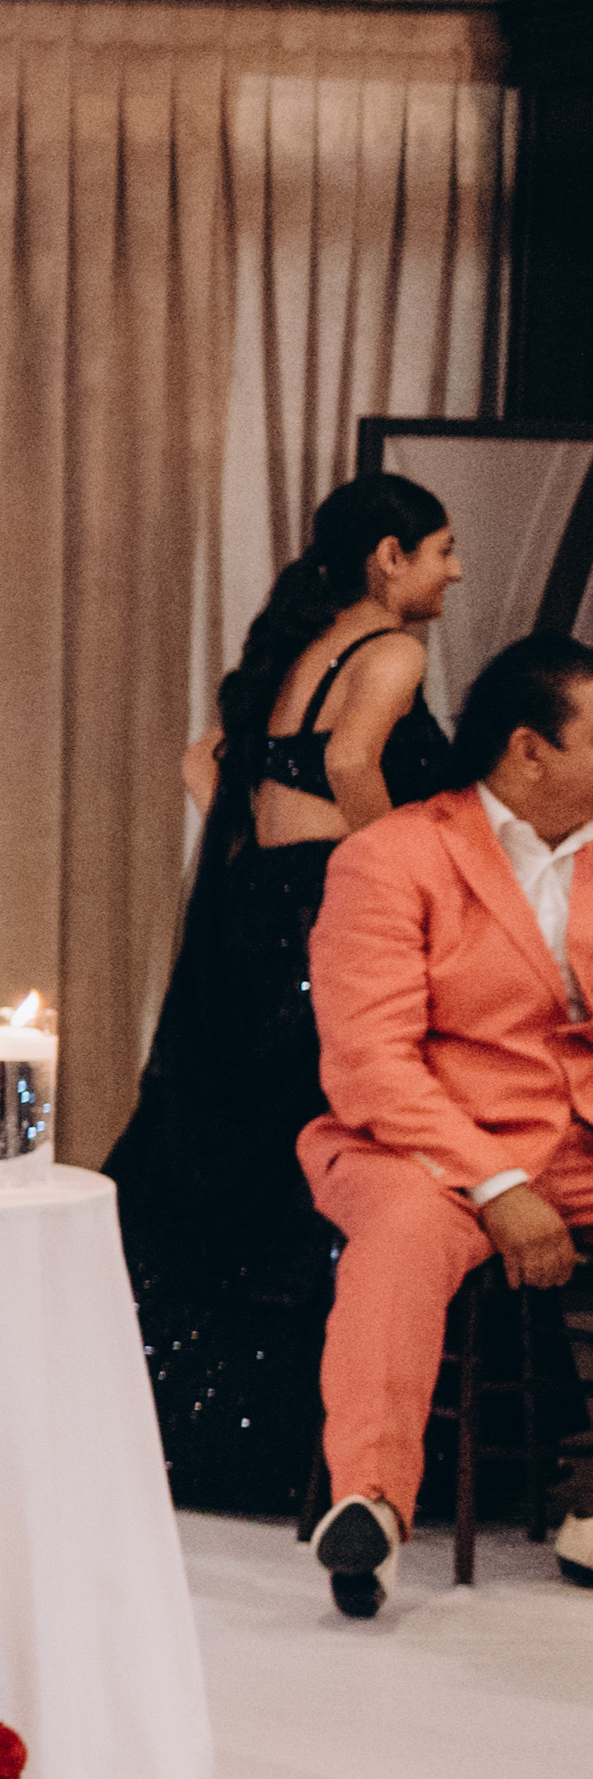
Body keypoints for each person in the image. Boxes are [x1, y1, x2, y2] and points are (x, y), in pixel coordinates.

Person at [106, 476, 462, 1511]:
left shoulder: (301, 650)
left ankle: (180, 1424)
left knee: (243, 1145)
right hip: (329, 910)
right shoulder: (392, 651)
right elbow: (351, 761)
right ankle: (294, 1446)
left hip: (254, 914)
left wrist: (269, 850)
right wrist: (407, 875)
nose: (454, 571)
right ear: (389, 557)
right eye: (441, 550)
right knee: (317, 1147)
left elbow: (204, 762)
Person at [296, 632, 593, 1619]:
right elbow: (370, 1061)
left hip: (575, 1137)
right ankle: (371, 1505)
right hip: (419, 1140)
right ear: (530, 750)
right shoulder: (393, 856)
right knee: (404, 1232)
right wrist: (499, 1184)